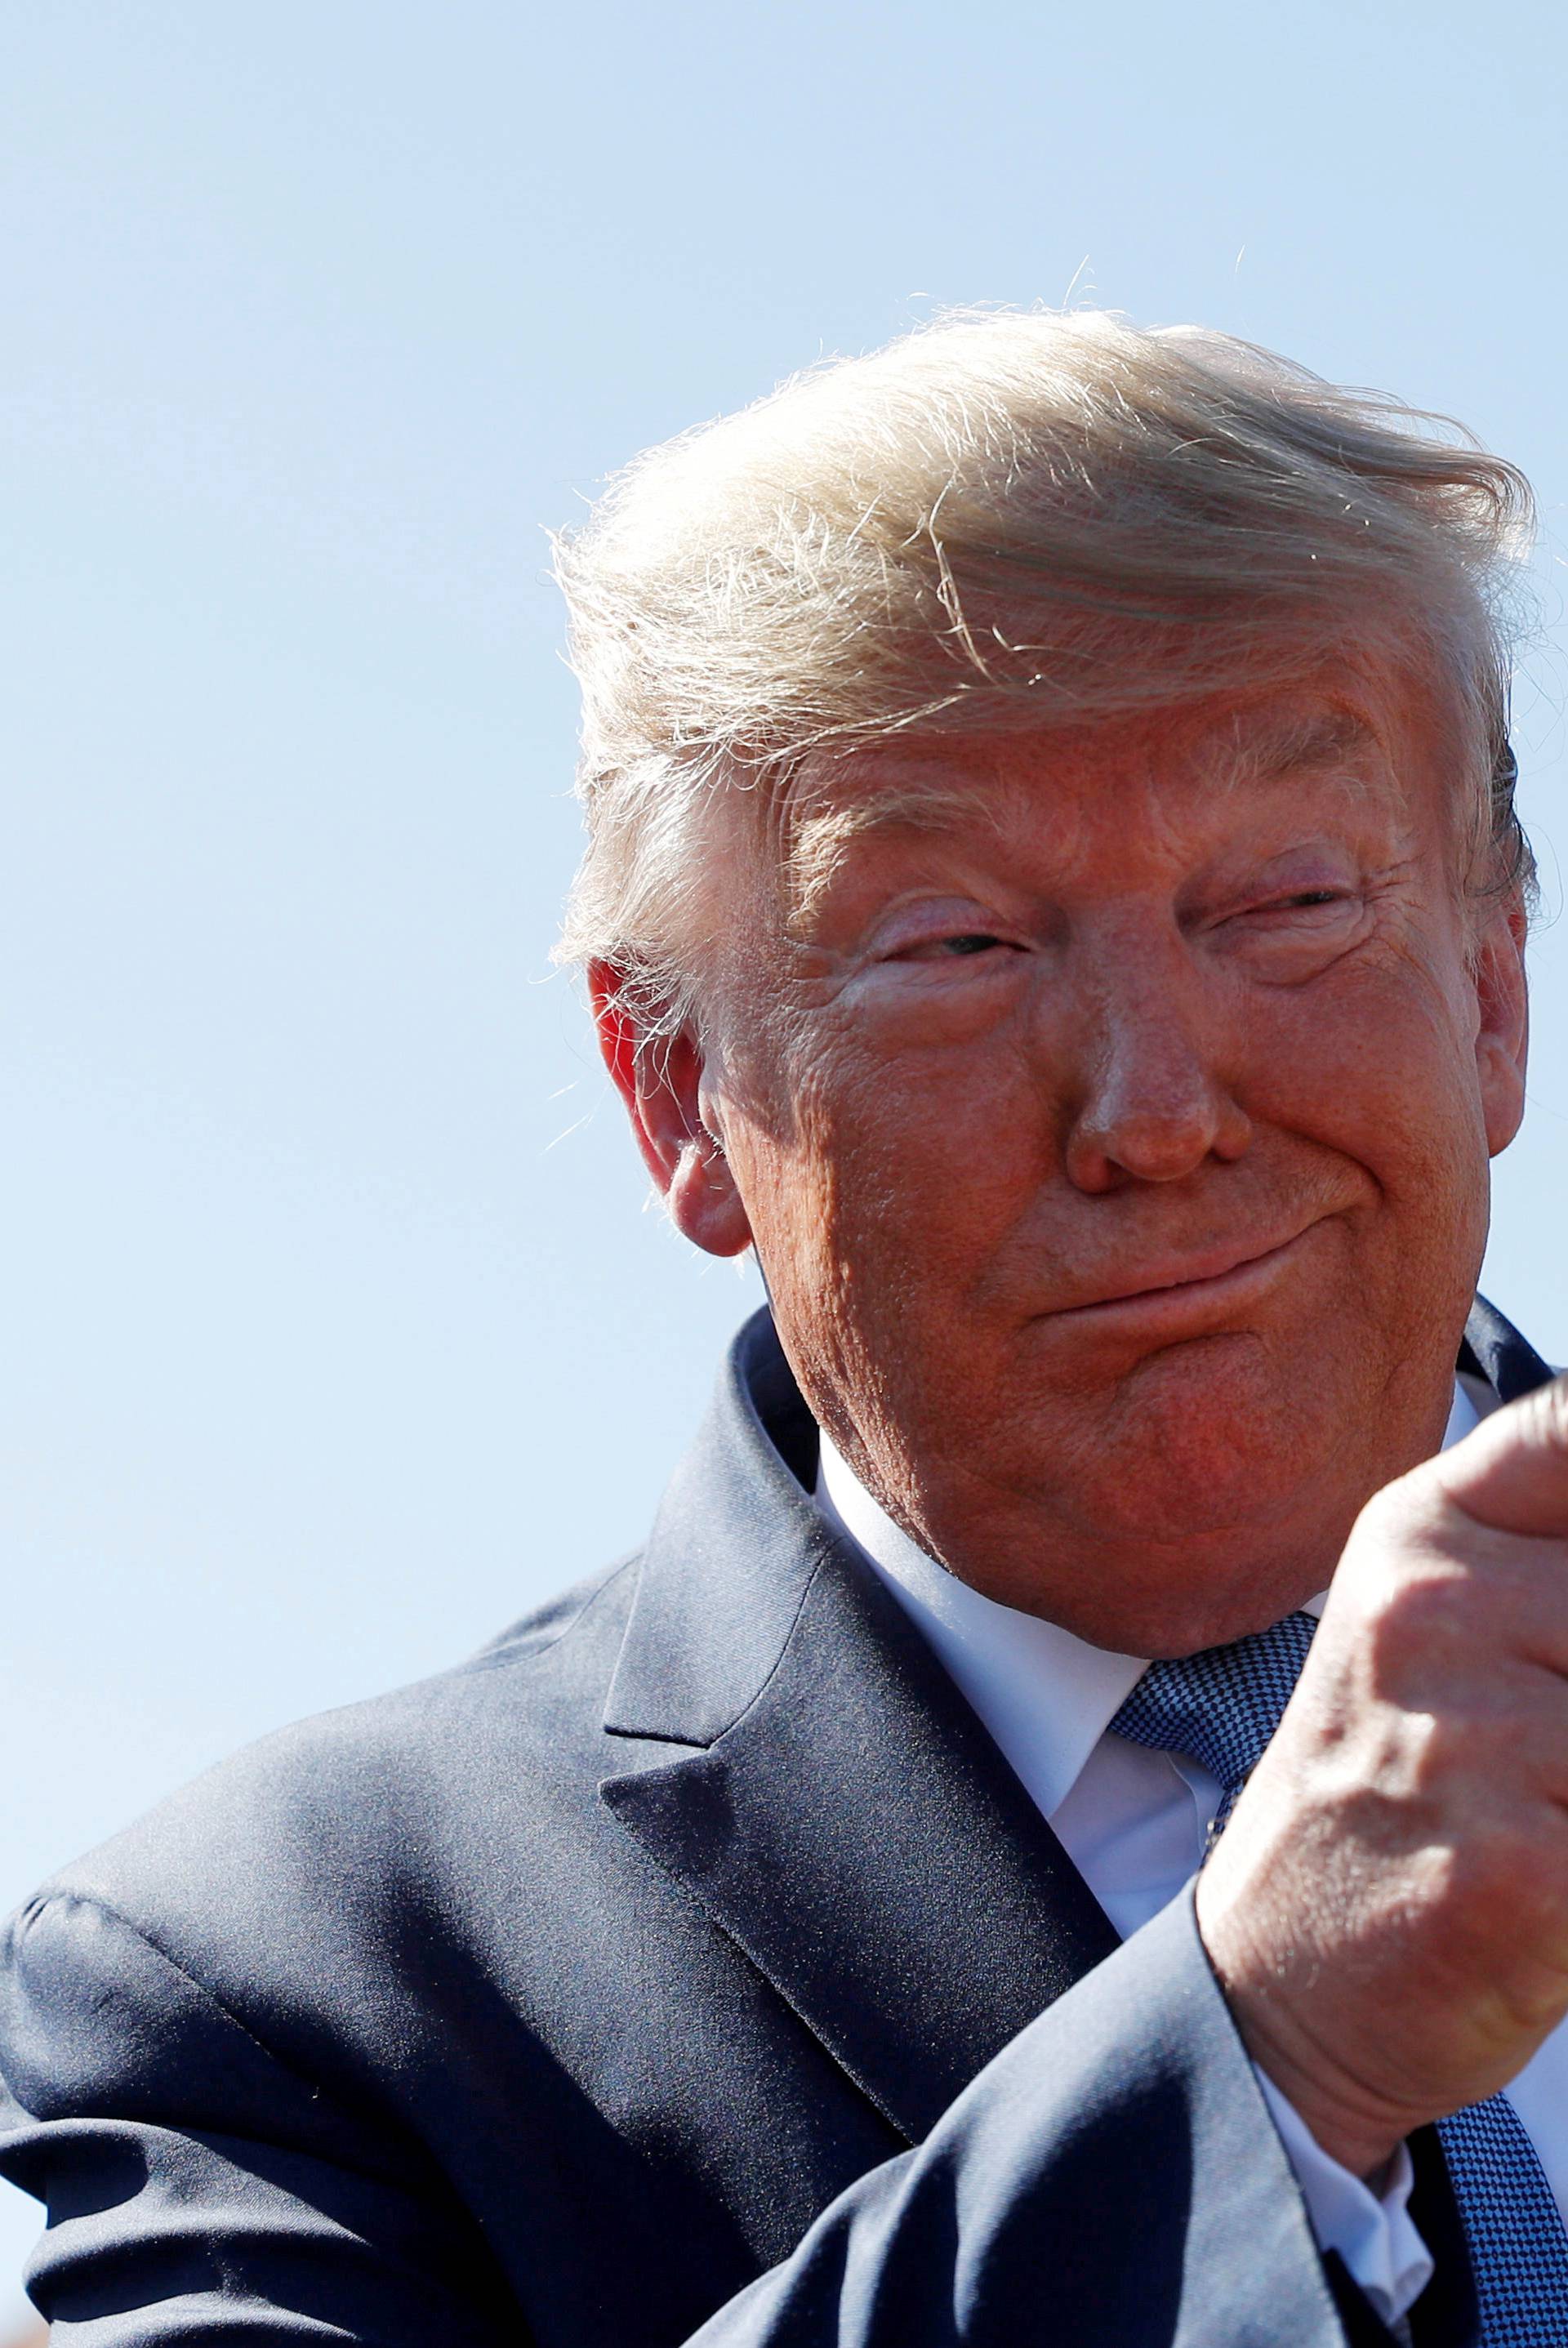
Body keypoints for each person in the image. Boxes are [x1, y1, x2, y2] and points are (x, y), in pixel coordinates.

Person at [1, 308, 1562, 2348]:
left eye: (1283, 901)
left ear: (1493, 983)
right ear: (677, 1094)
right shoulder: (275, 1989)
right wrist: (1258, 2065)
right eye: (957, 945)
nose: (1159, 1109)